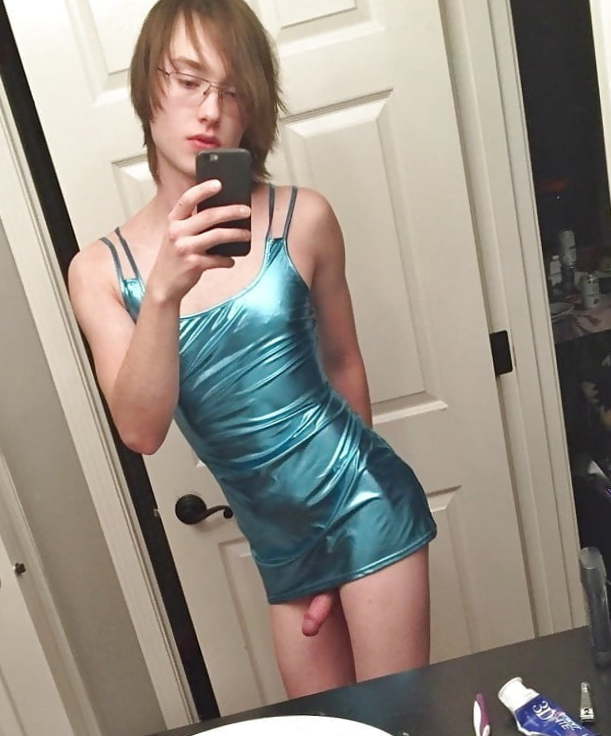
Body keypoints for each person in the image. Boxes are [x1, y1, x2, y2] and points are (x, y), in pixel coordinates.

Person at [68, 0, 437, 699]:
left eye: (233, 90)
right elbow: (141, 431)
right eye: (188, 81)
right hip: (279, 547)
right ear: (147, 88)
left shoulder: (305, 217)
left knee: (396, 725)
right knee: (319, 729)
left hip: (365, 504)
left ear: (253, 109)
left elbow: (344, 364)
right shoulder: (99, 271)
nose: (210, 109)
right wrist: (163, 293)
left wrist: (339, 527)